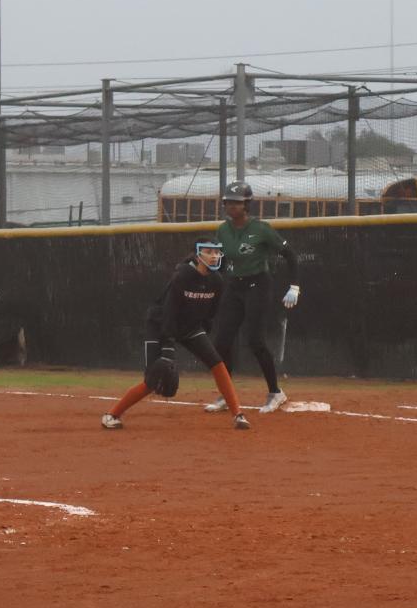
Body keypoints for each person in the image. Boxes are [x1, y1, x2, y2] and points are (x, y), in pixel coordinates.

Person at [101, 240, 251, 431]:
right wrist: (167, 347)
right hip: (160, 325)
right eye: (209, 252)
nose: (214, 256)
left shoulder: (217, 281)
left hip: (190, 327)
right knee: (153, 379)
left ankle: (238, 415)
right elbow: (169, 313)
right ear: (197, 256)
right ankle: (112, 415)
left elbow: (211, 312)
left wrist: (203, 328)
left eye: (216, 252)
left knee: (217, 364)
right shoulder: (182, 276)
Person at [204, 181, 300, 414]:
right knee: (221, 342)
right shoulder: (223, 230)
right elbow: (223, 261)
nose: (231, 206)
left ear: (247, 204)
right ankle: (227, 394)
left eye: (237, 203)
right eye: (228, 202)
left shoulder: (261, 229)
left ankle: (276, 392)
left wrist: (294, 286)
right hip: (234, 286)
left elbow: (291, 255)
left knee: (255, 340)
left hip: (258, 285)